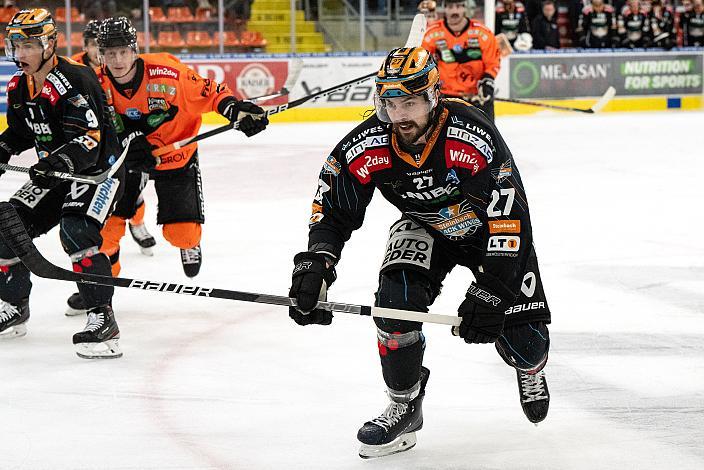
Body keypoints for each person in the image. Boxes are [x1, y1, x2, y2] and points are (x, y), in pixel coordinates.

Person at [288, 47, 551, 459]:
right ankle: (404, 403)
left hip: (490, 232)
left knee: (527, 344)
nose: (400, 115)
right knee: (394, 308)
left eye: (409, 102)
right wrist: (317, 263)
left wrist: (492, 292)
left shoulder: (473, 135)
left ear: (432, 97)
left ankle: (530, 368)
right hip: (425, 226)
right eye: (391, 103)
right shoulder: (367, 143)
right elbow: (334, 207)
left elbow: (510, 219)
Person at [0, 8, 125, 359]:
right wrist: (4, 148)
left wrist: (56, 162)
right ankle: (13, 307)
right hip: (55, 174)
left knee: (76, 230)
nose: (20, 54)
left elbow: (90, 140)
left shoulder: (76, 79)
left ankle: (103, 320)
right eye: (16, 45)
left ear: (49, 43)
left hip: (97, 172)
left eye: (29, 45)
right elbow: (25, 130)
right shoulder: (18, 86)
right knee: (6, 225)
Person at [421, 0, 501, 121]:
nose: (454, 11)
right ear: (444, 9)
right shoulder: (431, 34)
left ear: (464, 8)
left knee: (486, 137)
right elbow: (422, 63)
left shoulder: (483, 33)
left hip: (477, 98)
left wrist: (487, 81)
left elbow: (493, 62)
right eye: (450, 7)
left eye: (458, 6)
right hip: (445, 98)